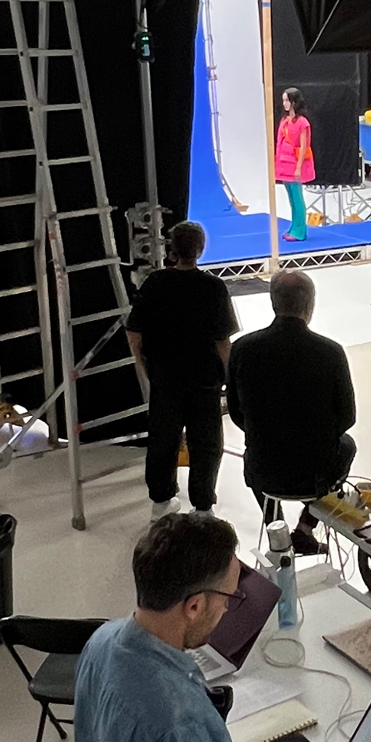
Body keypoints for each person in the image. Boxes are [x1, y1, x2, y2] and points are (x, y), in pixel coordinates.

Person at [75, 513, 349, 742]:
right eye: (228, 599)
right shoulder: (178, 724)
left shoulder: (101, 644)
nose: (226, 610)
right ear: (193, 607)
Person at [227, 270, 356, 555]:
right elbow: (347, 417)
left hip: (264, 470)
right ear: (309, 306)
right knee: (347, 446)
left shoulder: (242, 349)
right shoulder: (331, 352)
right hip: (315, 473)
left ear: (273, 303)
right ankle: (305, 528)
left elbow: (236, 412)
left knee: (255, 451)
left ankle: (276, 528)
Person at [127, 221, 238, 519]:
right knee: (207, 444)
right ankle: (203, 506)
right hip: (204, 382)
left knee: (163, 439)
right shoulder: (213, 287)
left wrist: (145, 366)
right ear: (200, 249)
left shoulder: (155, 283)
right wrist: (230, 377)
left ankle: (161, 503)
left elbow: (134, 333)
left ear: (171, 250)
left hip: (165, 378)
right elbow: (222, 341)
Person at [276, 87, 315, 241]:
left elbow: (304, 147)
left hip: (295, 163)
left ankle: (300, 231)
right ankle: (294, 227)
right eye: (283, 100)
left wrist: (299, 167)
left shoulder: (302, 123)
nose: (284, 103)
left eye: (287, 100)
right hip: (284, 163)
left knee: (297, 198)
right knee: (292, 199)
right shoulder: (284, 121)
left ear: (294, 101)